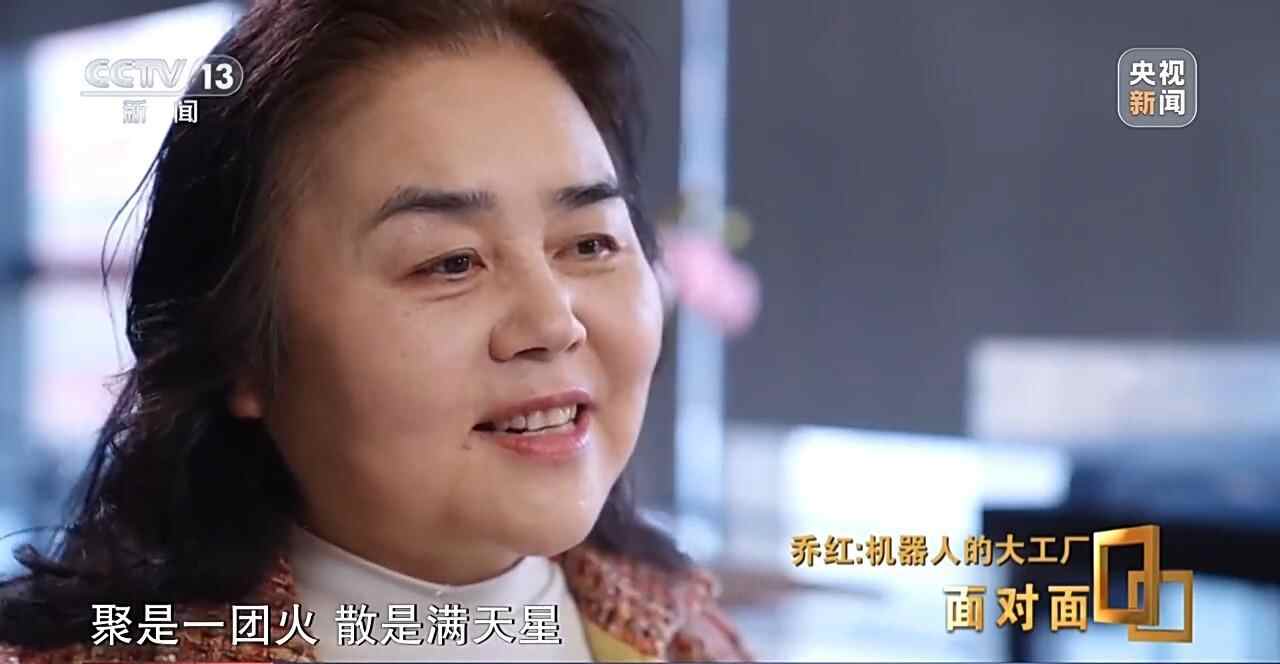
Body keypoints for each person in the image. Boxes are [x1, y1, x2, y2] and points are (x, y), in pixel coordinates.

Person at [0, 0, 752, 661]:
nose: (554, 324)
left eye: (590, 244)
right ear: (242, 349)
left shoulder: (688, 635)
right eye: (449, 262)